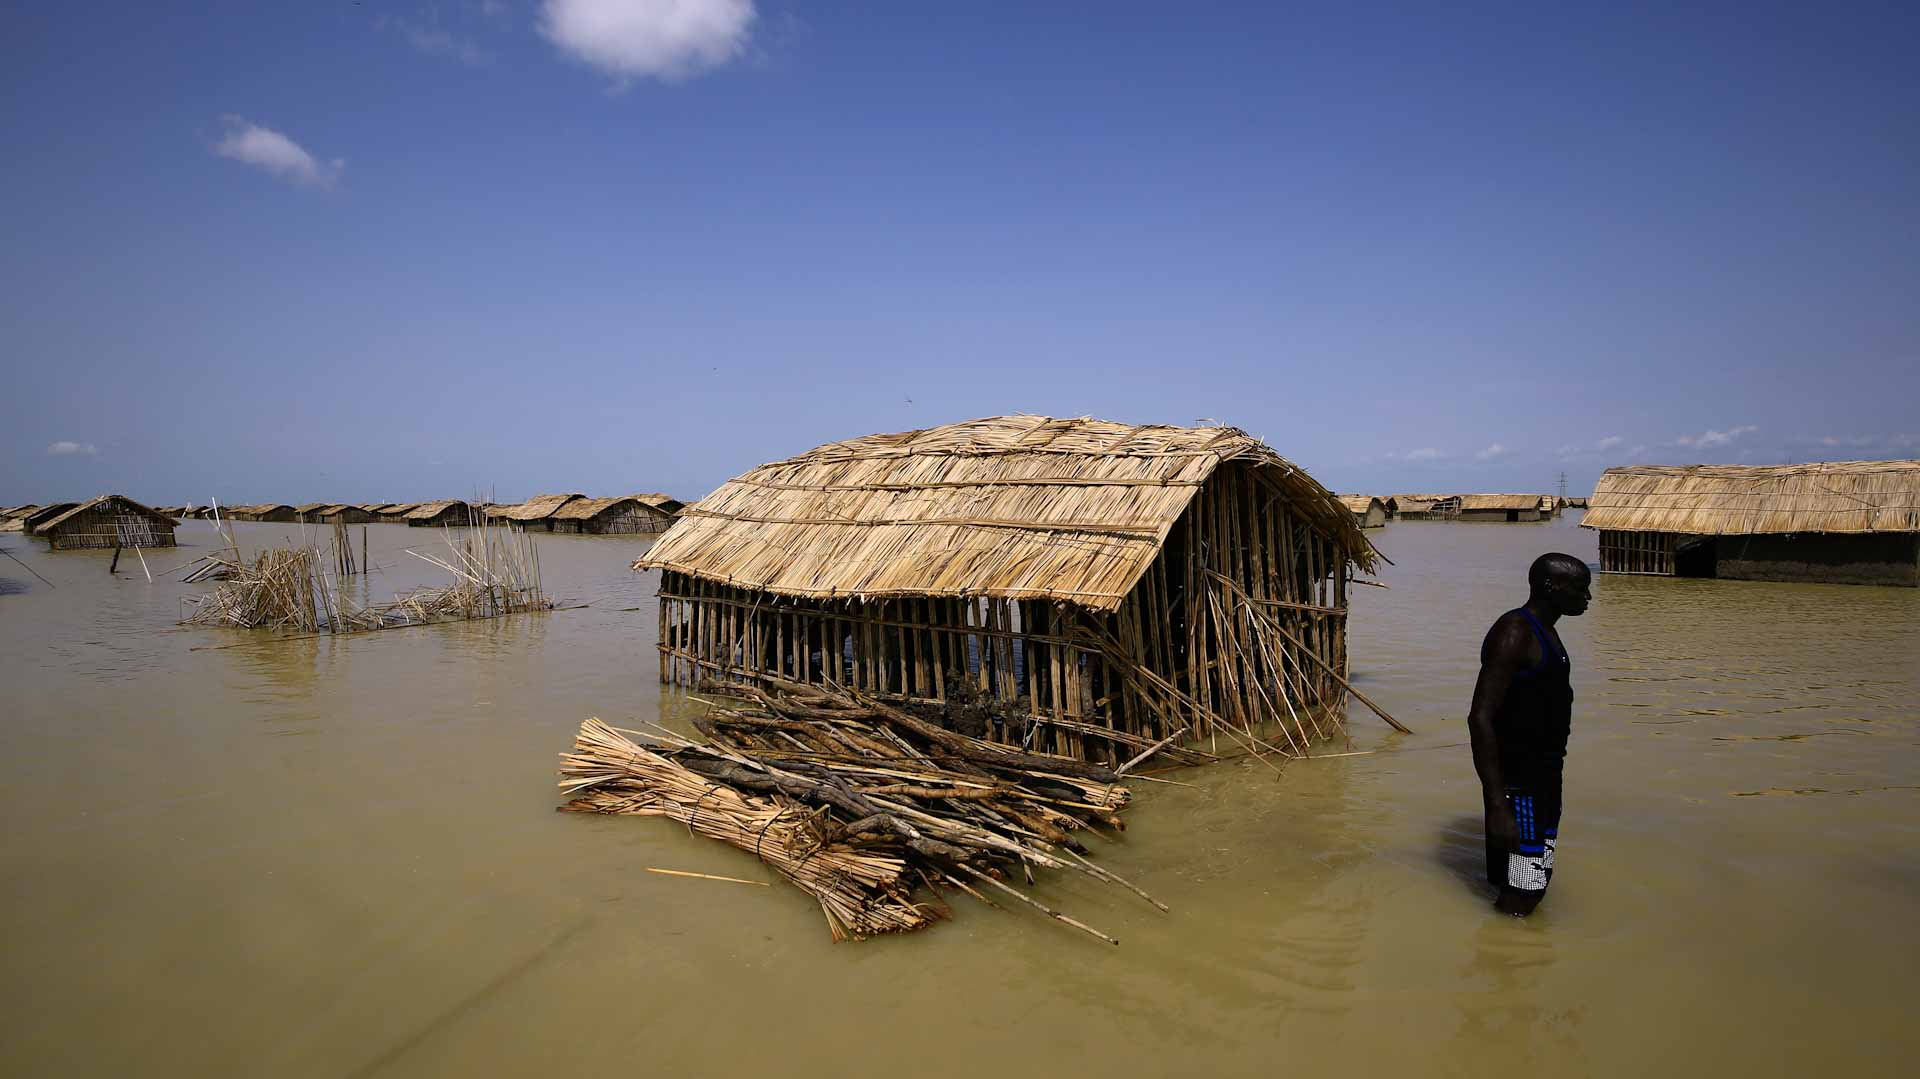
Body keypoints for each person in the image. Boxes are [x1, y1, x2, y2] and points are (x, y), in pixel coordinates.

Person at [1467, 552, 1590, 916]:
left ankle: (1509, 958)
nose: (1587, 598)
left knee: (1533, 879)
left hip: (1544, 779)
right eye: (1581, 588)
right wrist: (1497, 804)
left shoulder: (1546, 632)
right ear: (1552, 587)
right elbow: (1480, 718)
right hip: (1519, 787)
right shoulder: (1515, 632)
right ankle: (1508, 963)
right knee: (1522, 893)